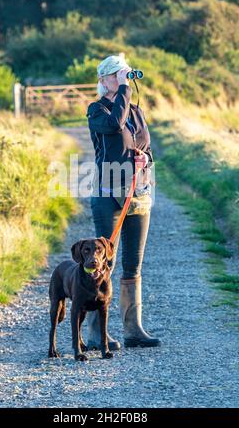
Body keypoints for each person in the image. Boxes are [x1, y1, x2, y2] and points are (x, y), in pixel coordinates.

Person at [85, 54, 161, 350]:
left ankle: (133, 330)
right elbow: (115, 125)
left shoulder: (137, 111)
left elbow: (147, 147)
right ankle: (95, 334)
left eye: (124, 75)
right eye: (116, 75)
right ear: (103, 80)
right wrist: (124, 90)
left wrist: (144, 158)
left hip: (138, 192)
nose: (122, 79)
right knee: (103, 262)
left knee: (132, 264)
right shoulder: (97, 110)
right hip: (108, 194)